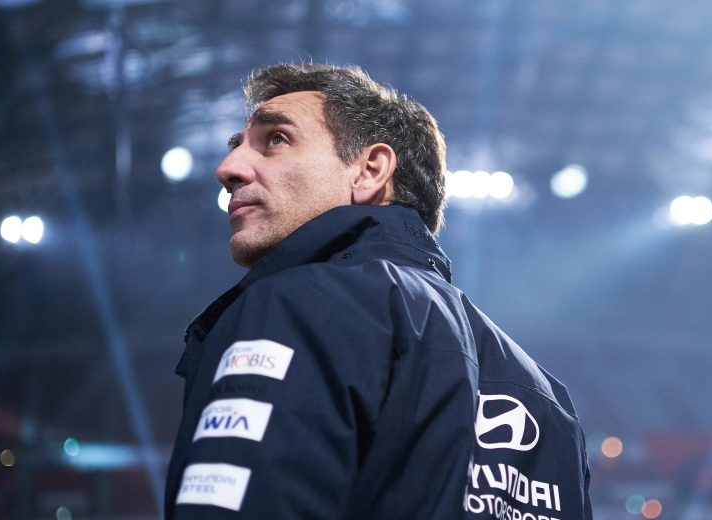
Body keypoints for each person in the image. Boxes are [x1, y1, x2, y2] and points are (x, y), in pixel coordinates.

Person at [163, 63, 592, 519]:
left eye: (276, 139)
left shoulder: (301, 305)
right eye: (236, 147)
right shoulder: (548, 399)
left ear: (370, 171)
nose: (227, 169)